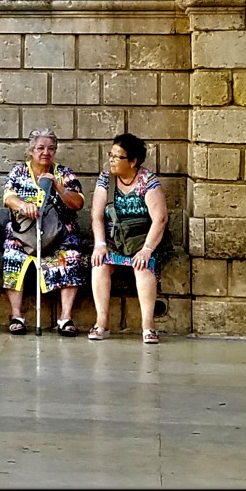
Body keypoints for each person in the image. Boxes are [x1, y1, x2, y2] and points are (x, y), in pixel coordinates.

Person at [2, 129, 87, 336]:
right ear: (31, 150)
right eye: (40, 148)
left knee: (72, 255)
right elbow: (8, 197)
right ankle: (17, 316)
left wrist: (58, 186)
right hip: (25, 232)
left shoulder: (63, 173)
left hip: (60, 234)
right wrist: (23, 205)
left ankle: (65, 318)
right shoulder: (19, 172)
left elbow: (78, 203)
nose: (45, 152)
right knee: (12, 254)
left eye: (51, 148)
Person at [89, 132, 169, 344]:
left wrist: (147, 249)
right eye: (111, 155)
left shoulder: (148, 181)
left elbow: (160, 219)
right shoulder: (106, 180)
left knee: (143, 267)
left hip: (142, 241)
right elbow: (96, 216)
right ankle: (102, 322)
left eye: (118, 157)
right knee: (99, 265)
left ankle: (148, 326)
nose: (112, 160)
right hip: (115, 241)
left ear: (133, 161)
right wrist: (100, 244)